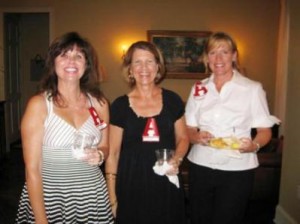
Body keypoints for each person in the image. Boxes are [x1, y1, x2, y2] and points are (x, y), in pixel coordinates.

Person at [15, 32, 114, 223]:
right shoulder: (39, 105)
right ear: (53, 62)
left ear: (86, 64)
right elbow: (32, 169)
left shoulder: (100, 104)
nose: (71, 61)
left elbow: (105, 146)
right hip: (50, 198)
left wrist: (100, 154)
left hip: (91, 196)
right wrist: (41, 220)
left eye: (78, 56)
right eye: (64, 55)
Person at [185, 32, 280, 224]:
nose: (218, 59)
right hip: (200, 166)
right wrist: (195, 137)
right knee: (198, 218)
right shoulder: (198, 88)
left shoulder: (252, 88)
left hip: (237, 169)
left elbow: (264, 131)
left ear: (234, 56)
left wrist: (253, 146)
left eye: (225, 52)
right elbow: (188, 127)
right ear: (206, 58)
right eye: (213, 53)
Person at [105, 41, 189, 224]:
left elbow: (183, 138)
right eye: (137, 62)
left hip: (166, 183)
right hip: (130, 185)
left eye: (149, 61)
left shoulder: (173, 100)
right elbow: (113, 154)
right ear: (129, 68)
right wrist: (111, 196)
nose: (144, 68)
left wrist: (178, 158)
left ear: (158, 66)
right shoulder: (119, 105)